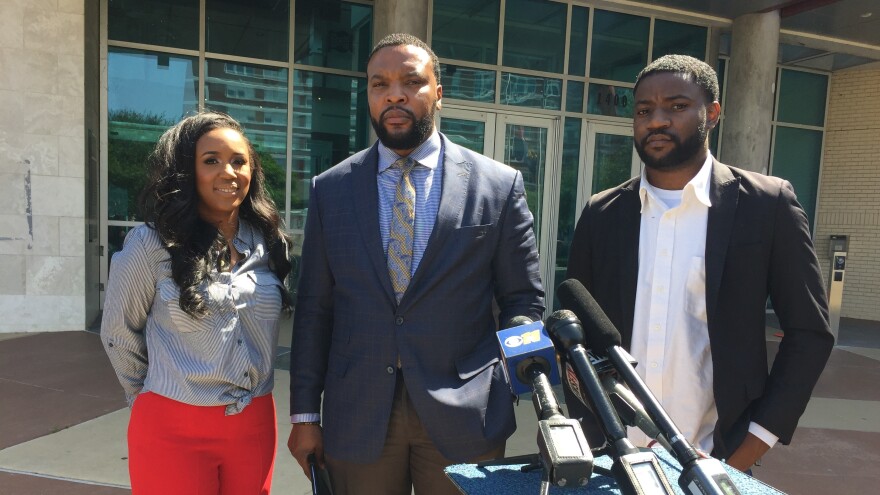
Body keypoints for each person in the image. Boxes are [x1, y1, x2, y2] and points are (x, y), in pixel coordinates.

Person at [287, 33, 544, 495]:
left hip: (466, 413)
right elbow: (315, 311)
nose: (395, 94)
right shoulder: (331, 190)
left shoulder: (497, 186)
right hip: (359, 413)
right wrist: (305, 415)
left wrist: (513, 377)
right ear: (368, 94)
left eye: (411, 81)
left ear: (438, 93)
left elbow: (522, 298)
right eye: (379, 84)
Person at [563, 54, 834, 472]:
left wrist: (750, 448)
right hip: (613, 456)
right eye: (643, 110)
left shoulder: (766, 205)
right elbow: (574, 337)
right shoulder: (602, 214)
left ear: (713, 113)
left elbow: (810, 334)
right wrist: (588, 428)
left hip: (717, 455)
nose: (656, 120)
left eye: (676, 106)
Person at [101, 112, 292, 494]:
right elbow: (119, 333)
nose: (229, 172)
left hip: (254, 422)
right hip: (173, 426)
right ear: (186, 172)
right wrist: (152, 396)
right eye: (211, 161)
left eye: (239, 161)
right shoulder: (150, 244)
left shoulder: (267, 241)